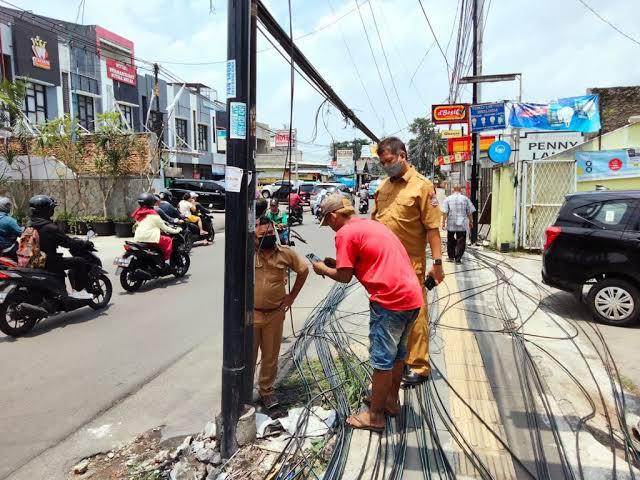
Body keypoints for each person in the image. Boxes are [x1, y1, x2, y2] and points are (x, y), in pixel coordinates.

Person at [312, 195, 423, 432]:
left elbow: (343, 276)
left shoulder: (344, 233)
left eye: (328, 221)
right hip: (412, 297)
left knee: (382, 360)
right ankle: (391, 402)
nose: (329, 226)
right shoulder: (371, 225)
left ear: (333, 216)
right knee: (397, 355)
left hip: (389, 301)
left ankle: (375, 416)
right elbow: (356, 263)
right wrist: (337, 263)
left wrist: (321, 268)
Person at [372, 137, 443, 386]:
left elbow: (433, 229)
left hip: (411, 264)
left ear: (402, 155)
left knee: (416, 316)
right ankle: (397, 362)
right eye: (382, 163)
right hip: (384, 265)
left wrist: (437, 264)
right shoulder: (383, 187)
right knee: (387, 315)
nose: (386, 166)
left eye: (389, 161)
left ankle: (419, 366)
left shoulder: (422, 187)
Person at [254, 215, 308, 408]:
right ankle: (242, 394)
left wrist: (291, 296)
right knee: (248, 356)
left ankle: (266, 390)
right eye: (263, 234)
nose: (267, 237)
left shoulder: (285, 253)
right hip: (251, 315)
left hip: (275, 314)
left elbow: (303, 270)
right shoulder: (247, 253)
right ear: (254, 236)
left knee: (270, 355)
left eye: (270, 233)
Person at [28, 195, 93, 299]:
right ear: (46, 210)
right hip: (50, 262)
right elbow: (68, 243)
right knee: (80, 261)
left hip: (35, 261)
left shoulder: (30, 225)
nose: (53, 211)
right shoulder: (50, 228)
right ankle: (80, 291)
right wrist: (83, 243)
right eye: (51, 208)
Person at [132, 192, 182, 262]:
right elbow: (165, 227)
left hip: (138, 237)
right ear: (152, 202)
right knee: (168, 240)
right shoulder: (154, 213)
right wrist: (177, 230)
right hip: (151, 237)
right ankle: (163, 260)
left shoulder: (139, 213)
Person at [441, 184, 476, 264]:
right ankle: (458, 259)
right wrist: (471, 221)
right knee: (461, 240)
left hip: (451, 223)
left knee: (450, 239)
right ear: (461, 190)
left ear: (453, 189)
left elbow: (445, 212)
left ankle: (451, 257)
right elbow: (469, 211)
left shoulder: (448, 199)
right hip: (462, 223)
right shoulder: (465, 199)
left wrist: (443, 223)